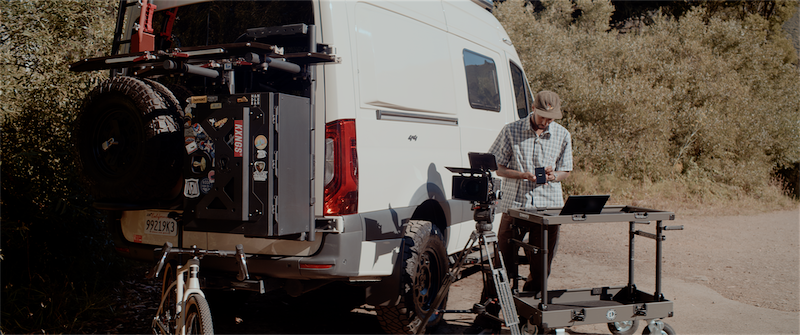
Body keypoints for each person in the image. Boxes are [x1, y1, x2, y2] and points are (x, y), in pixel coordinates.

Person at [488, 90, 573, 294]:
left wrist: (554, 176)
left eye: (551, 118)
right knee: (501, 264)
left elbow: (566, 170)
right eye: (543, 116)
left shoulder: (563, 135)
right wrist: (522, 175)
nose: (546, 121)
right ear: (533, 108)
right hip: (515, 206)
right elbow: (496, 167)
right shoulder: (511, 131)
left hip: (548, 209)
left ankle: (529, 316)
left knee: (541, 267)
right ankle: (489, 314)